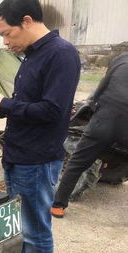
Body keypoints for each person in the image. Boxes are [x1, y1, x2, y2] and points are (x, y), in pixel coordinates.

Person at [0, 0, 80, 253]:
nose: (5, 41)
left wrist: (4, 106)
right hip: (19, 153)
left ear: (26, 21)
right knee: (22, 221)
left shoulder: (61, 54)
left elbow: (52, 110)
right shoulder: (33, 55)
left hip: (37, 157)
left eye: (7, 34)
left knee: (36, 224)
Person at [51, 53, 128, 218]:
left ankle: (58, 206)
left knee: (77, 164)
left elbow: (102, 87)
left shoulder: (120, 59)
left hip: (103, 122)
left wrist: (92, 108)